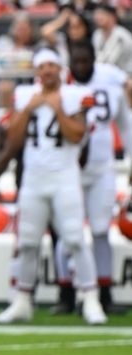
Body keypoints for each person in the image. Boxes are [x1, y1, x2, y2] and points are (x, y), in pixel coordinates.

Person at [0, 48, 107, 325]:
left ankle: (90, 298)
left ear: (60, 69)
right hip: (33, 178)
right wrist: (30, 108)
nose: (47, 71)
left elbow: (78, 135)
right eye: (42, 67)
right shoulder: (24, 96)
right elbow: (13, 139)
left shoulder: (74, 95)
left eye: (52, 66)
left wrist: (56, 107)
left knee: (76, 239)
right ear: (36, 71)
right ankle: (22, 300)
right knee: (28, 242)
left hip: (65, 176)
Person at [52, 42, 132, 315]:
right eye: (78, 61)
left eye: (87, 61)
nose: (83, 66)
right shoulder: (62, 90)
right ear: (71, 63)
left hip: (102, 168)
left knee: (100, 230)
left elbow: (126, 124)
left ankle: (104, 292)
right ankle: (65, 292)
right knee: (67, 230)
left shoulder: (110, 83)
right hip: (69, 169)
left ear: (94, 60)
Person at [92, 4, 132, 74]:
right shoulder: (97, 34)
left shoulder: (121, 35)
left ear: (112, 17)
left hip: (126, 75)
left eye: (101, 14)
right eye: (96, 14)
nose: (97, 17)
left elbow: (110, 62)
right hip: (107, 74)